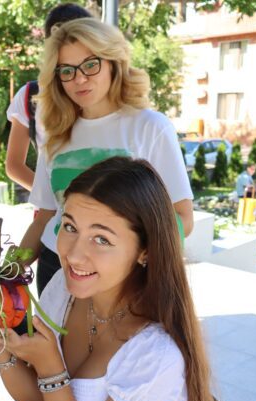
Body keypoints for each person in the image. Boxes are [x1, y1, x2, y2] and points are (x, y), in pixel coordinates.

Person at [0, 157, 225, 401]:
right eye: (70, 226)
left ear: (145, 251)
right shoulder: (65, 289)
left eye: (101, 239)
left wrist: (51, 367)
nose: (74, 255)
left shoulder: (157, 355)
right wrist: (1, 351)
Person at [19, 18, 194, 303]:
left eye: (91, 64)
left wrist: (135, 263)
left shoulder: (150, 126)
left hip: (121, 275)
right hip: (57, 267)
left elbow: (182, 218)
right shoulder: (56, 135)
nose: (79, 79)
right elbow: (45, 219)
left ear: (113, 62)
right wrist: (6, 272)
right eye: (67, 70)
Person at [4, 3, 92, 296]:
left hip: (106, 254)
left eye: (87, 61)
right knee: (53, 331)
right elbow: (44, 213)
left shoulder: (135, 122)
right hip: (55, 239)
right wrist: (0, 278)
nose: (75, 72)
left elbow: (176, 216)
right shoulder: (34, 103)